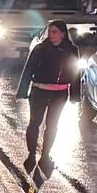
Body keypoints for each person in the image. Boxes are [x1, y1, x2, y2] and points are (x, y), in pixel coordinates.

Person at [18, 19, 81, 175]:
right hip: (39, 91)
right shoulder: (40, 49)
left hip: (60, 94)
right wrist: (22, 91)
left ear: (63, 34)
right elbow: (28, 70)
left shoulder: (71, 50)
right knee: (34, 123)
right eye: (49, 32)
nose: (51, 35)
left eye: (54, 32)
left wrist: (75, 95)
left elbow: (75, 74)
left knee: (52, 125)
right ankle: (31, 154)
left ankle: (45, 156)